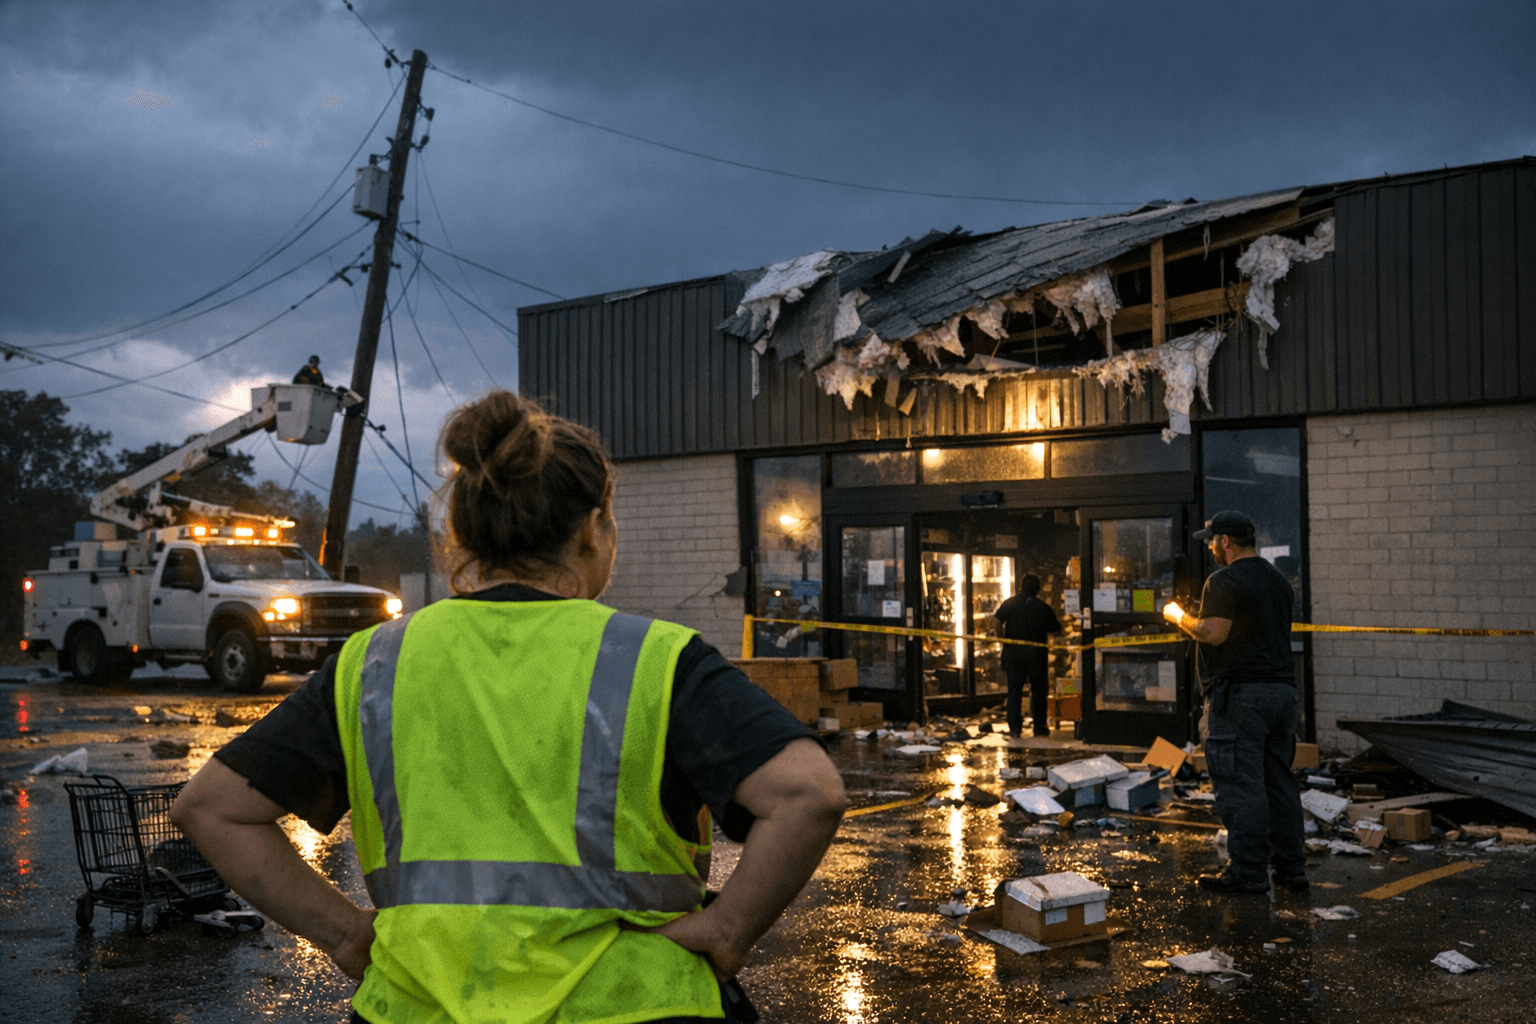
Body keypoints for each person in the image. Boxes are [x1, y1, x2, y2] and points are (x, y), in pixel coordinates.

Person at [171, 389, 847, 1024]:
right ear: (592, 529)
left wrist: (346, 935)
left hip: (417, 1006)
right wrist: (728, 932)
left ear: (461, 535)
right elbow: (806, 795)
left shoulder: (373, 664)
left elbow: (212, 808)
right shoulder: (655, 659)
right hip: (639, 1005)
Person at [1162, 510, 1306, 895]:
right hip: (1282, 694)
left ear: (1225, 541)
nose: (1209, 547)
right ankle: (1292, 871)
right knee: (1279, 784)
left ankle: (1249, 872)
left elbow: (1214, 633)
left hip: (1240, 699)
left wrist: (1179, 617)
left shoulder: (1223, 579)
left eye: (1212, 540)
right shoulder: (1278, 580)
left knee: (1242, 787)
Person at [990, 574, 1061, 737]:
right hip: (1037, 657)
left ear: (1021, 586)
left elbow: (995, 621)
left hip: (1014, 655)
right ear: (1038, 589)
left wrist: (1002, 640)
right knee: (1039, 692)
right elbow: (1056, 629)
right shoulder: (1042, 607)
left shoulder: (1010, 603)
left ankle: (1014, 727)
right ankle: (1039, 726)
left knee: (1014, 691)